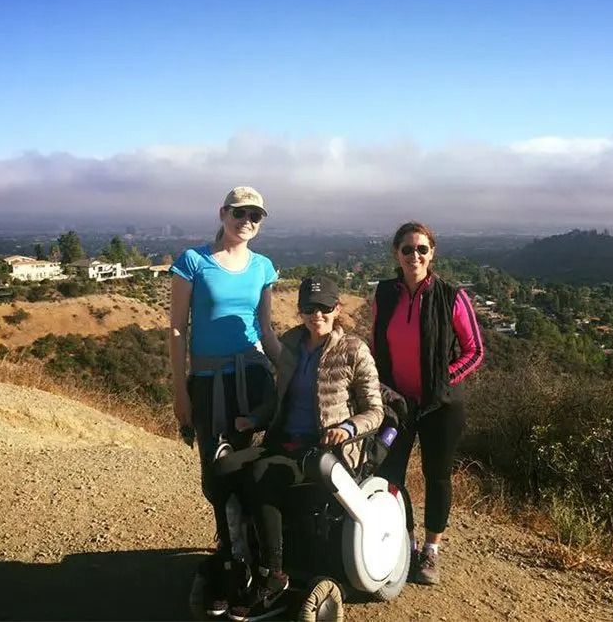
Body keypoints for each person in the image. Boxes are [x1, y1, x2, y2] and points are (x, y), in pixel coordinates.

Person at [218, 275, 384, 621]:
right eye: (309, 308)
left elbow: (375, 410)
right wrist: (254, 419)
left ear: (336, 309)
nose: (316, 315)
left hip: (323, 449)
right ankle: (234, 559)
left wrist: (347, 427)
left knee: (263, 474)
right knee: (223, 469)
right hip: (283, 438)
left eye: (324, 308)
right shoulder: (291, 343)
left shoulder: (353, 350)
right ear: (300, 312)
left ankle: (273, 574)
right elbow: (281, 399)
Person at [169, 186, 281, 618]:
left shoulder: (264, 267)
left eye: (256, 215)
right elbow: (178, 329)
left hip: (252, 380)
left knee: (248, 472)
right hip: (207, 382)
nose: (247, 220)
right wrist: (180, 391)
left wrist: (292, 373)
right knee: (216, 478)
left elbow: (266, 331)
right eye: (240, 212)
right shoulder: (192, 262)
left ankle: (247, 561)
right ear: (222, 213)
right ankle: (227, 553)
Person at [372, 221, 484, 586]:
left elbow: (475, 350)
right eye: (407, 249)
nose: (415, 255)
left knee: (437, 477)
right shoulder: (384, 293)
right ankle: (405, 542)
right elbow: (376, 346)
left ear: (432, 253)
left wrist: (443, 380)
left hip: (441, 406)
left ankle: (431, 551)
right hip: (398, 404)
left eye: (422, 249)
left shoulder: (451, 295)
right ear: (396, 254)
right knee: (389, 476)